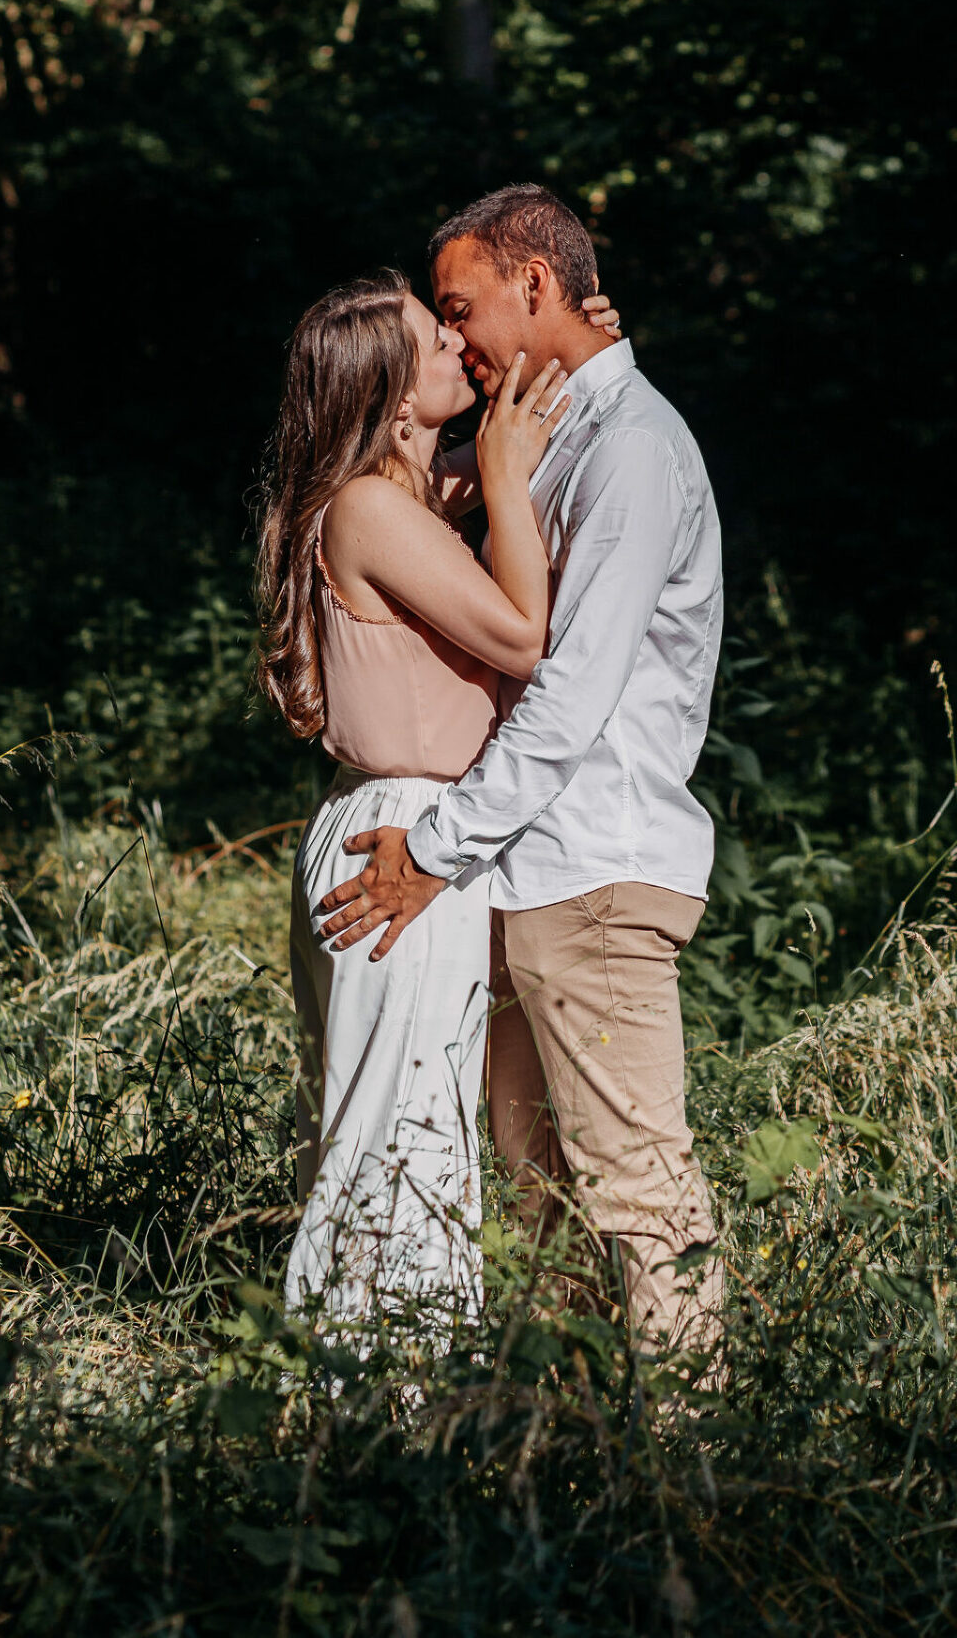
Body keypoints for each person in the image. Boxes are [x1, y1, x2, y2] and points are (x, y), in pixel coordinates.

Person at [319, 186, 725, 1355]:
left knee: (638, 1196)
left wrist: (431, 856)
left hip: (590, 873)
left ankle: (696, 1484)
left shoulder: (633, 451)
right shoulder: (543, 436)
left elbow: (569, 697)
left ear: (533, 288)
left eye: (462, 309)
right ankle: (566, 1474)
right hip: (520, 873)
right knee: (536, 1209)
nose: (456, 340)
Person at [255, 268, 617, 1324]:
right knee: (394, 1132)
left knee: (416, 1126)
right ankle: (369, 1399)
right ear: (392, 395)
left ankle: (399, 1394)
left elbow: (509, 443)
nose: (460, 344)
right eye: (433, 336)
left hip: (406, 826)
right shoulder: (370, 507)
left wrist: (563, 345)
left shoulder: (399, 494)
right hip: (401, 837)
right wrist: (505, 483)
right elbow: (518, 635)